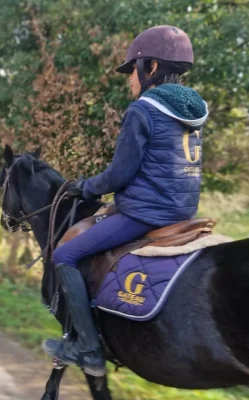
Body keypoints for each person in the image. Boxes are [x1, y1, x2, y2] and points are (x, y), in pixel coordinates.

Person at [42, 25, 209, 377]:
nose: (129, 80)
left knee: (64, 254)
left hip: (145, 214)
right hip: (183, 212)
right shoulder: (192, 111)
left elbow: (119, 175)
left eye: (131, 71)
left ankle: (88, 348)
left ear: (150, 68)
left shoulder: (143, 111)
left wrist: (85, 187)